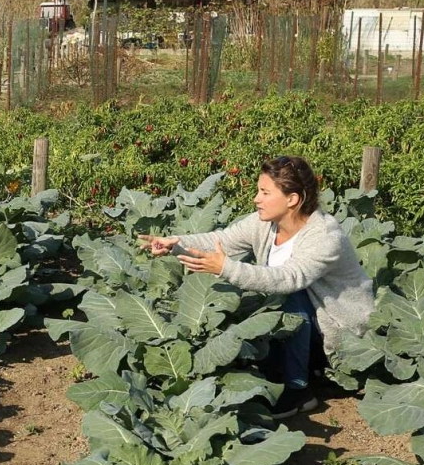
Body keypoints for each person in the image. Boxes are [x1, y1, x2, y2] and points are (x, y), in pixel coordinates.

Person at [140, 155, 374, 419]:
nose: (256, 199)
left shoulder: (324, 237)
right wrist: (175, 243)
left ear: (292, 199)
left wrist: (225, 268)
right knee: (265, 303)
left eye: (264, 192)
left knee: (290, 295)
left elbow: (289, 278)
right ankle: (282, 371)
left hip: (341, 330)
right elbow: (222, 240)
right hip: (304, 321)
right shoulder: (264, 224)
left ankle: (298, 390)